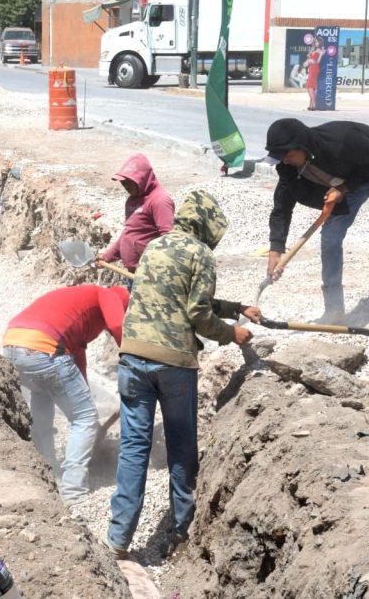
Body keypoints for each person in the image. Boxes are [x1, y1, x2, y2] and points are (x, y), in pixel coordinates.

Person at [107, 190, 260, 559]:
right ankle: (181, 530)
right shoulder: (201, 254)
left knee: (133, 449)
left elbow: (176, 295)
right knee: (181, 446)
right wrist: (232, 333)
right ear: (208, 226)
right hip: (173, 364)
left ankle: (117, 540)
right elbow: (197, 314)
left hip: (133, 357)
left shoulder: (155, 248)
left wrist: (237, 308)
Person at [264, 118, 369, 322]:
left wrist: (343, 188)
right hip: (348, 183)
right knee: (330, 239)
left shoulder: (341, 140)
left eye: (287, 155)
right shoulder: (289, 167)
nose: (285, 161)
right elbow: (282, 206)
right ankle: (334, 310)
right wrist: (276, 248)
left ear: (301, 145)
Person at [2, 284, 131, 502]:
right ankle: (73, 491)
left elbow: (76, 359)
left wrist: (83, 399)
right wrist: (132, 359)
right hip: (45, 348)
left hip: (12, 345)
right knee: (85, 418)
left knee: (42, 398)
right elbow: (118, 324)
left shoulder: (78, 309)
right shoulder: (106, 294)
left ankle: (45, 469)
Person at [98, 154, 174, 274]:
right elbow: (129, 233)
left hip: (149, 276)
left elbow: (168, 239)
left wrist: (157, 273)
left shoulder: (159, 200)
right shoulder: (132, 200)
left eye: (129, 182)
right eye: (123, 183)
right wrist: (107, 256)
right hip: (131, 274)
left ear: (143, 179)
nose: (126, 187)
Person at [305, 37, 325, 111]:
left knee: (310, 85)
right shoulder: (314, 49)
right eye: (315, 42)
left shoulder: (320, 50)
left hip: (315, 68)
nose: (316, 43)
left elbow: (318, 61)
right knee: (310, 86)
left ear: (320, 42)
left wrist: (320, 54)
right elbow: (309, 58)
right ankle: (311, 104)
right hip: (311, 68)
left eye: (317, 42)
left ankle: (313, 103)